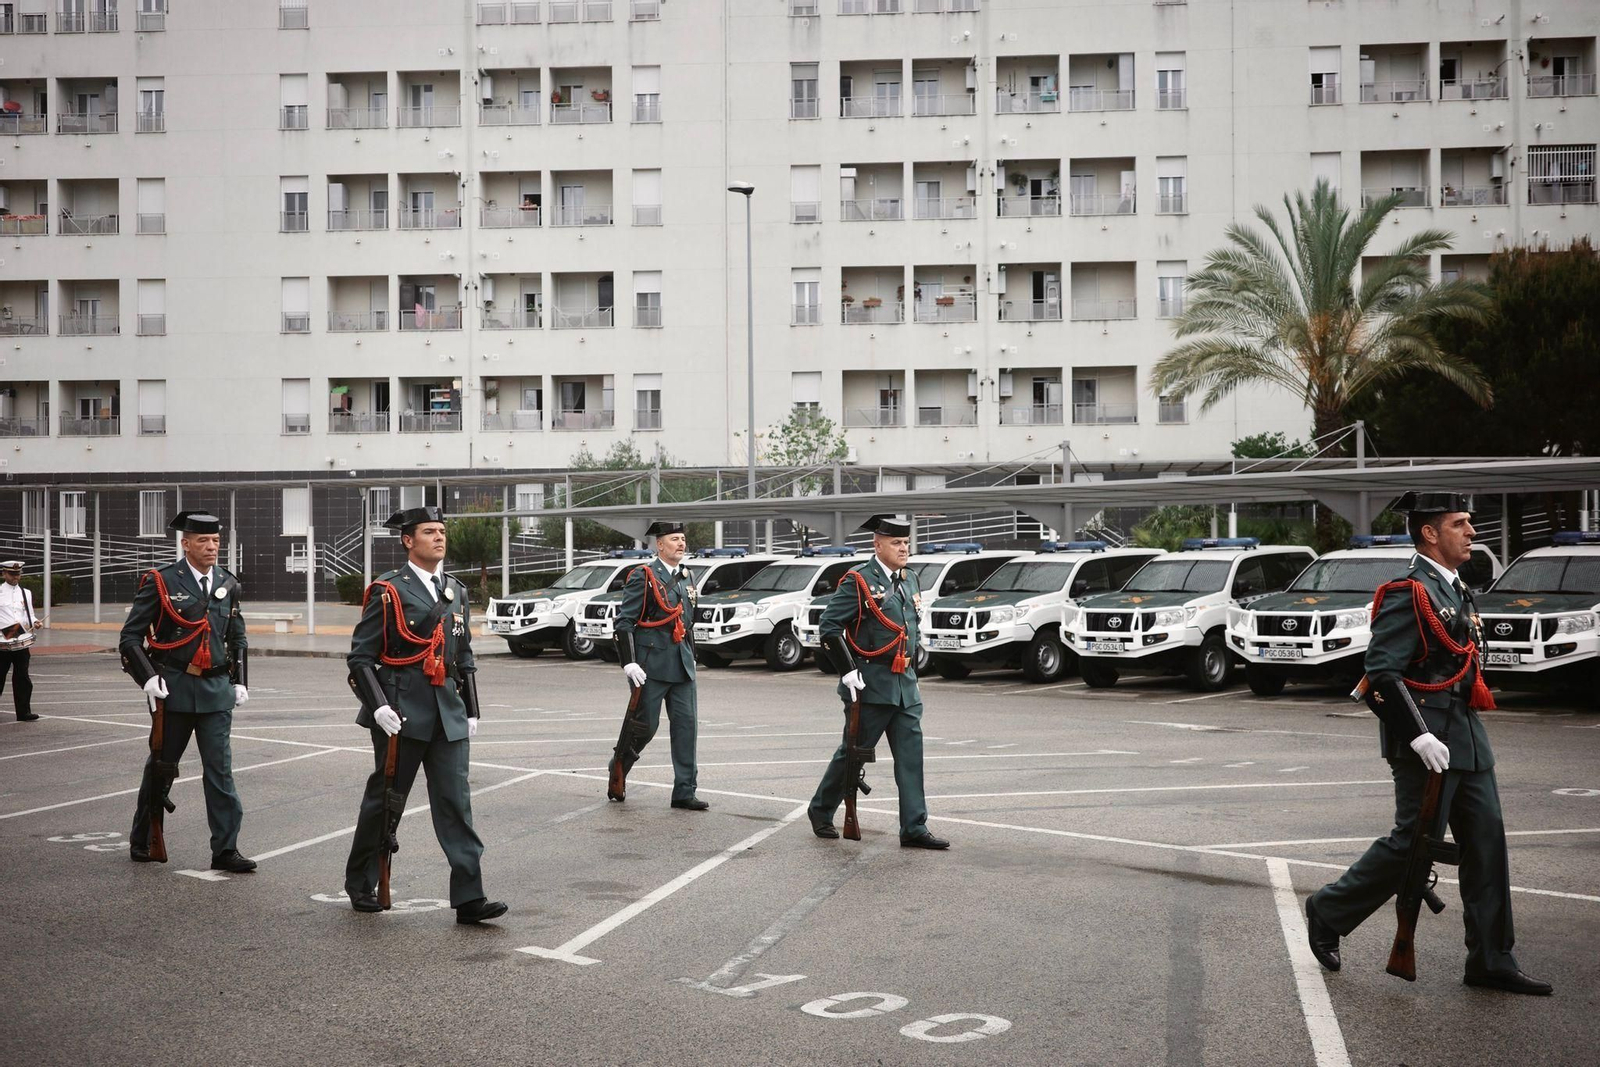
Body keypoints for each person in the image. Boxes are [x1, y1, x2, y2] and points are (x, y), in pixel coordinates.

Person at [1305, 492, 1551, 995]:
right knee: (1411, 846)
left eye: (1470, 523)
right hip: (1425, 737)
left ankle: (1490, 958)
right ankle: (1327, 909)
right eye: (1460, 523)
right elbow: (1382, 672)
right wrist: (1417, 734)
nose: (1472, 532)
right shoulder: (1408, 590)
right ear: (1430, 533)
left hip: (1465, 735)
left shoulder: (1455, 588)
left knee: (1487, 843)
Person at [344, 505, 506, 925]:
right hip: (401, 711)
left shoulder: (455, 590)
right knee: (385, 801)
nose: (439, 537)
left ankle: (470, 898)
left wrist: (471, 708)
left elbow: (463, 656)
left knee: (456, 805)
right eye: (429, 531)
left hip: (447, 713)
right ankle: (362, 882)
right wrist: (378, 705)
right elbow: (360, 658)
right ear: (407, 540)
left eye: (442, 531)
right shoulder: (388, 590)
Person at [120, 512, 254, 871]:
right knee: (161, 768)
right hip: (173, 689)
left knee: (220, 772)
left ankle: (226, 849)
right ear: (186, 543)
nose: (211, 548)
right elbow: (130, 637)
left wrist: (240, 680)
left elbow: (236, 636)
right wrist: (147, 677)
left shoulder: (228, 582)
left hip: (215, 689)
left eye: (215, 541)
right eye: (203, 541)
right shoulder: (162, 581)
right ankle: (145, 836)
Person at [809, 515, 948, 850]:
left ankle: (914, 826)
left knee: (911, 757)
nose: (904, 549)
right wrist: (847, 671)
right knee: (853, 755)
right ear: (878, 545)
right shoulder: (859, 581)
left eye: (905, 543)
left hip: (904, 684)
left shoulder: (909, 579)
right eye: (896, 543)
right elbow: (828, 627)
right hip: (869, 685)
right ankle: (821, 809)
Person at [609, 519, 706, 810]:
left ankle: (684, 791)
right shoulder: (644, 575)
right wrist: (629, 662)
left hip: (682, 662)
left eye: (683, 539)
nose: (681, 544)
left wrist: (692, 654)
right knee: (644, 728)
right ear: (660, 544)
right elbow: (624, 622)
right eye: (675, 539)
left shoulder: (688, 576)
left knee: (687, 727)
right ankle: (619, 767)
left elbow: (688, 622)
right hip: (650, 664)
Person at [0, 560, 40, 721]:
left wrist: (35, 621)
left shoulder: (26, 593)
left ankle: (23, 712)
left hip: (21, 641)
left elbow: (28, 615)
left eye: (18, 574)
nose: (15, 577)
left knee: (23, 678)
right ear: (4, 573)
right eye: (12, 574)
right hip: (2, 641)